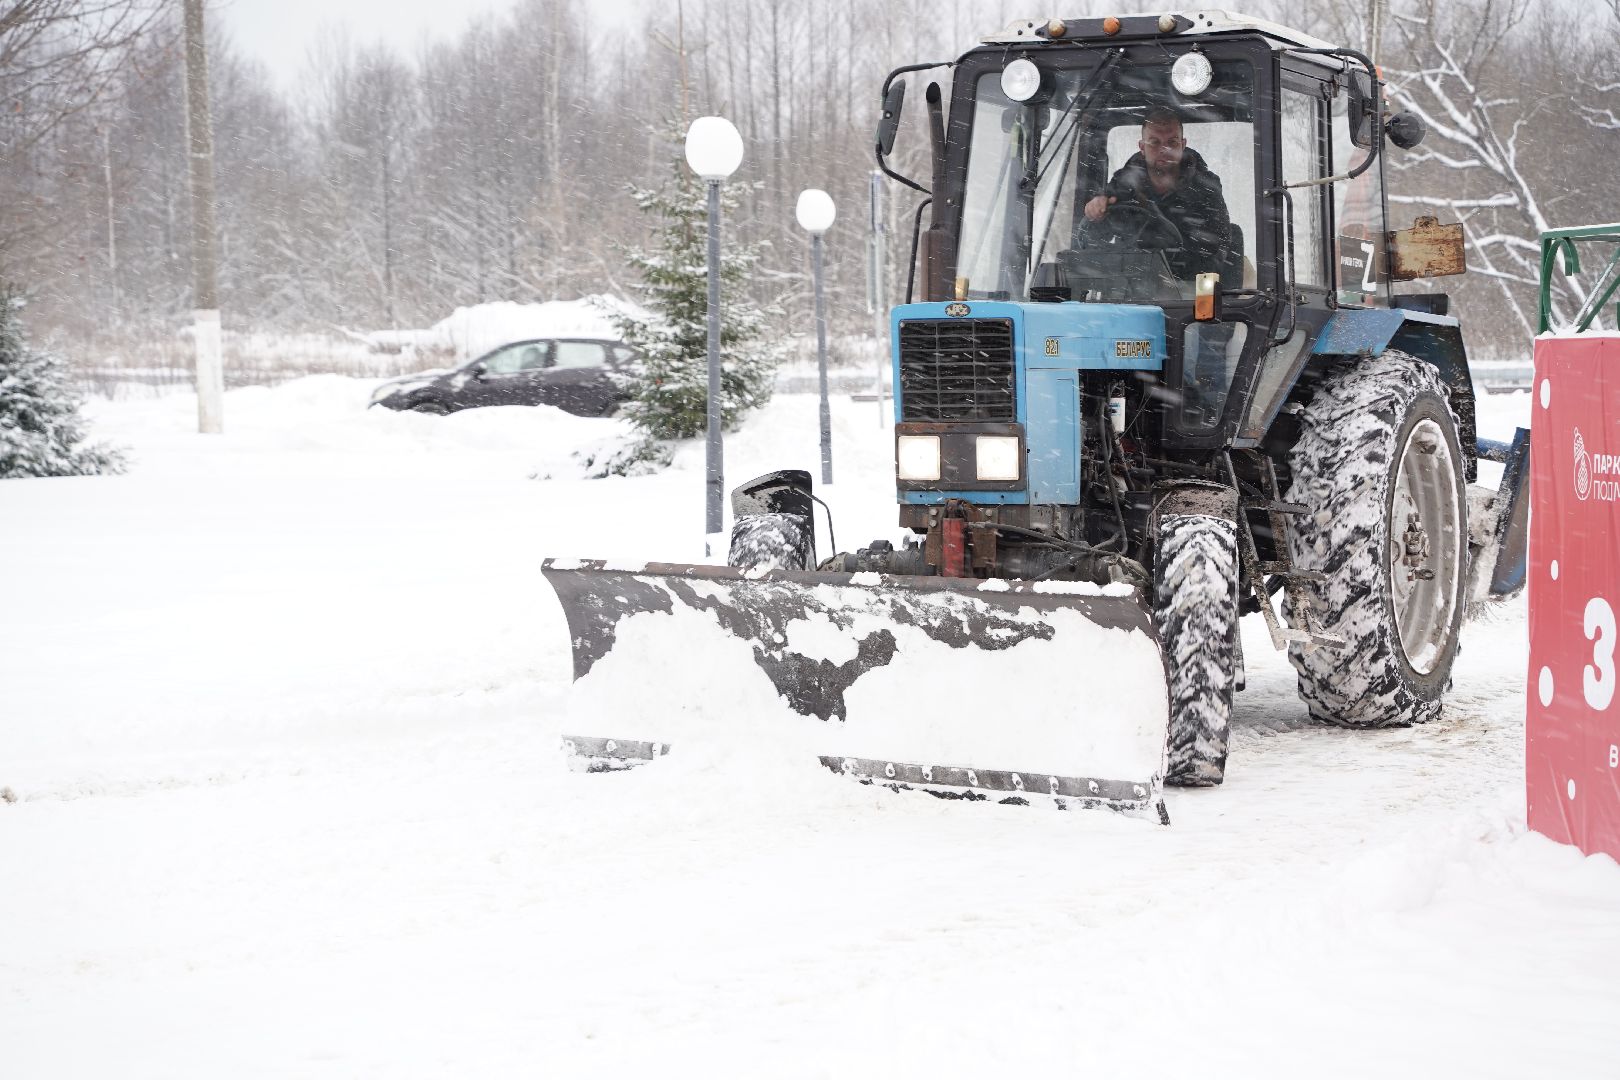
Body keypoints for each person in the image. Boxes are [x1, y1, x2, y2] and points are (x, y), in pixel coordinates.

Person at [1082, 108, 1231, 282]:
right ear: (1142, 147)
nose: (1164, 149)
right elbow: (1094, 242)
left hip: (1186, 290)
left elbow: (1217, 249)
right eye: (1154, 142)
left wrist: (1177, 281)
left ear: (1183, 145)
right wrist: (1094, 213)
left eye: (1172, 142)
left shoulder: (1206, 189)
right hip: (1129, 285)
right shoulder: (1121, 186)